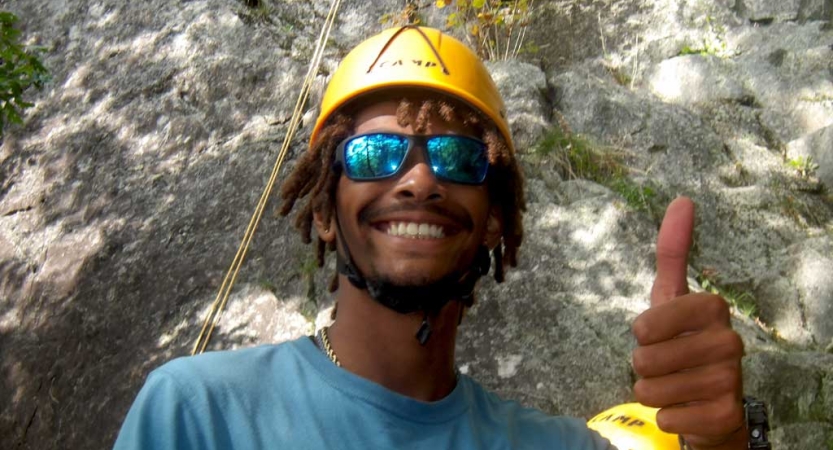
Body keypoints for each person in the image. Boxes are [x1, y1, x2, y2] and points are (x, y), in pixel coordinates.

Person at [114, 26, 748, 449]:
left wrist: (727, 447)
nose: (418, 180)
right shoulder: (198, 415)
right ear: (328, 209)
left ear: (495, 217)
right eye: (373, 154)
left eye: (457, 156)